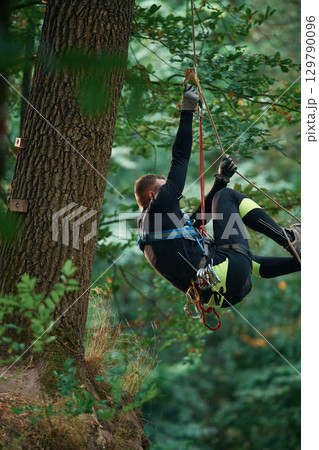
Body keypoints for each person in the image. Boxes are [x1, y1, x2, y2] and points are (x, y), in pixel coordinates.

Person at [135, 85, 301, 309]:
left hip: (221, 294)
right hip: (225, 273)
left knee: (249, 261)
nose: (175, 194)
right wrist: (187, 110)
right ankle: (291, 240)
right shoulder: (159, 206)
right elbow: (181, 157)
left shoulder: (150, 231)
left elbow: (197, 222)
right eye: (167, 190)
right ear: (153, 195)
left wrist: (220, 179)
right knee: (227, 196)